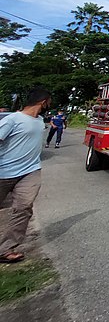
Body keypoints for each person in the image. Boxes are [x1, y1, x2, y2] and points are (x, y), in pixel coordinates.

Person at [0, 87, 51, 264]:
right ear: (43, 101)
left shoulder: (40, 121)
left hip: (30, 172)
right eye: (49, 102)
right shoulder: (12, 119)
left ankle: (6, 249)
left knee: (23, 208)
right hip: (3, 172)